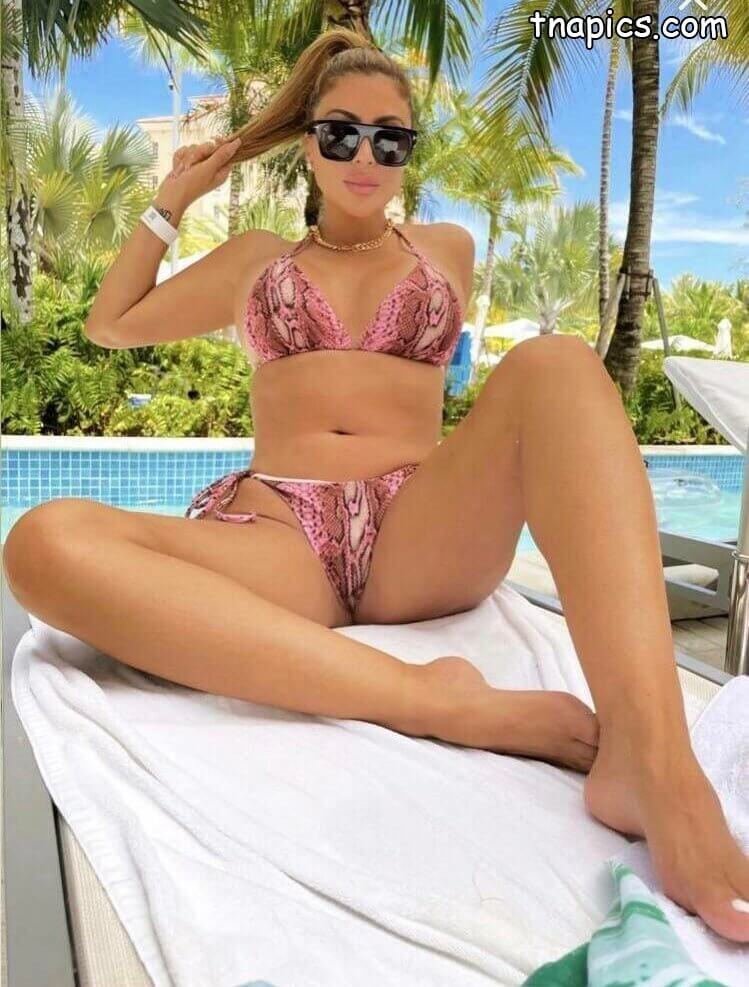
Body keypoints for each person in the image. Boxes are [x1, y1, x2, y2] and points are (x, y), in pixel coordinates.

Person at [4, 28, 748, 943]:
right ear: (309, 144)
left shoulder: (447, 249)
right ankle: (432, 699)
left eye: (389, 139)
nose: (364, 155)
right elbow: (110, 323)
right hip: (281, 537)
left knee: (557, 363)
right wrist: (173, 199)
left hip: (416, 534)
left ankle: (653, 761)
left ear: (408, 153)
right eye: (340, 132)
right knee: (43, 541)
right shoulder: (254, 261)